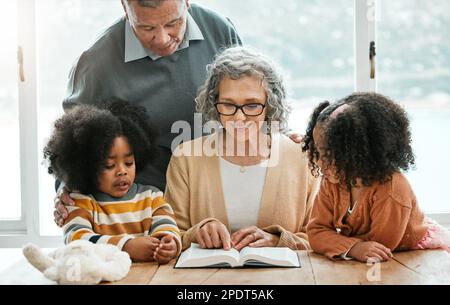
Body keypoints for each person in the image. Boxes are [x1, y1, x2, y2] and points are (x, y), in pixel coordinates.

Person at [53, 0, 243, 227]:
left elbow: (252, 97)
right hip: (142, 210)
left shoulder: (219, 30)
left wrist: (280, 137)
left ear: (186, 2)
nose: (162, 39)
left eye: (174, 23)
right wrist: (66, 187)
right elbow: (70, 144)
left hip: (219, 195)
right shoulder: (95, 63)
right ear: (125, 8)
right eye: (146, 28)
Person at [164, 46, 321, 251]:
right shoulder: (186, 158)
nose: (239, 117)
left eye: (252, 105)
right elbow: (168, 236)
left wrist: (277, 240)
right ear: (214, 103)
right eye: (228, 105)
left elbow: (320, 236)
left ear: (271, 105)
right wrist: (198, 231)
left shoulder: (302, 158)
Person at [303, 93, 450, 263]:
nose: (320, 163)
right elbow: (315, 232)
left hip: (417, 256)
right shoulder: (332, 180)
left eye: (328, 154)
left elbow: (378, 249)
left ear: (360, 152)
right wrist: (353, 247)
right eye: (317, 152)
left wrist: (341, 244)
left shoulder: (392, 189)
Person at [44, 99, 181, 263]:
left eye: (129, 163)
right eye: (109, 165)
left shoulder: (151, 197)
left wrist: (168, 243)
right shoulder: (81, 203)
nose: (122, 171)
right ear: (86, 166)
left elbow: (167, 225)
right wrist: (127, 246)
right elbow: (76, 241)